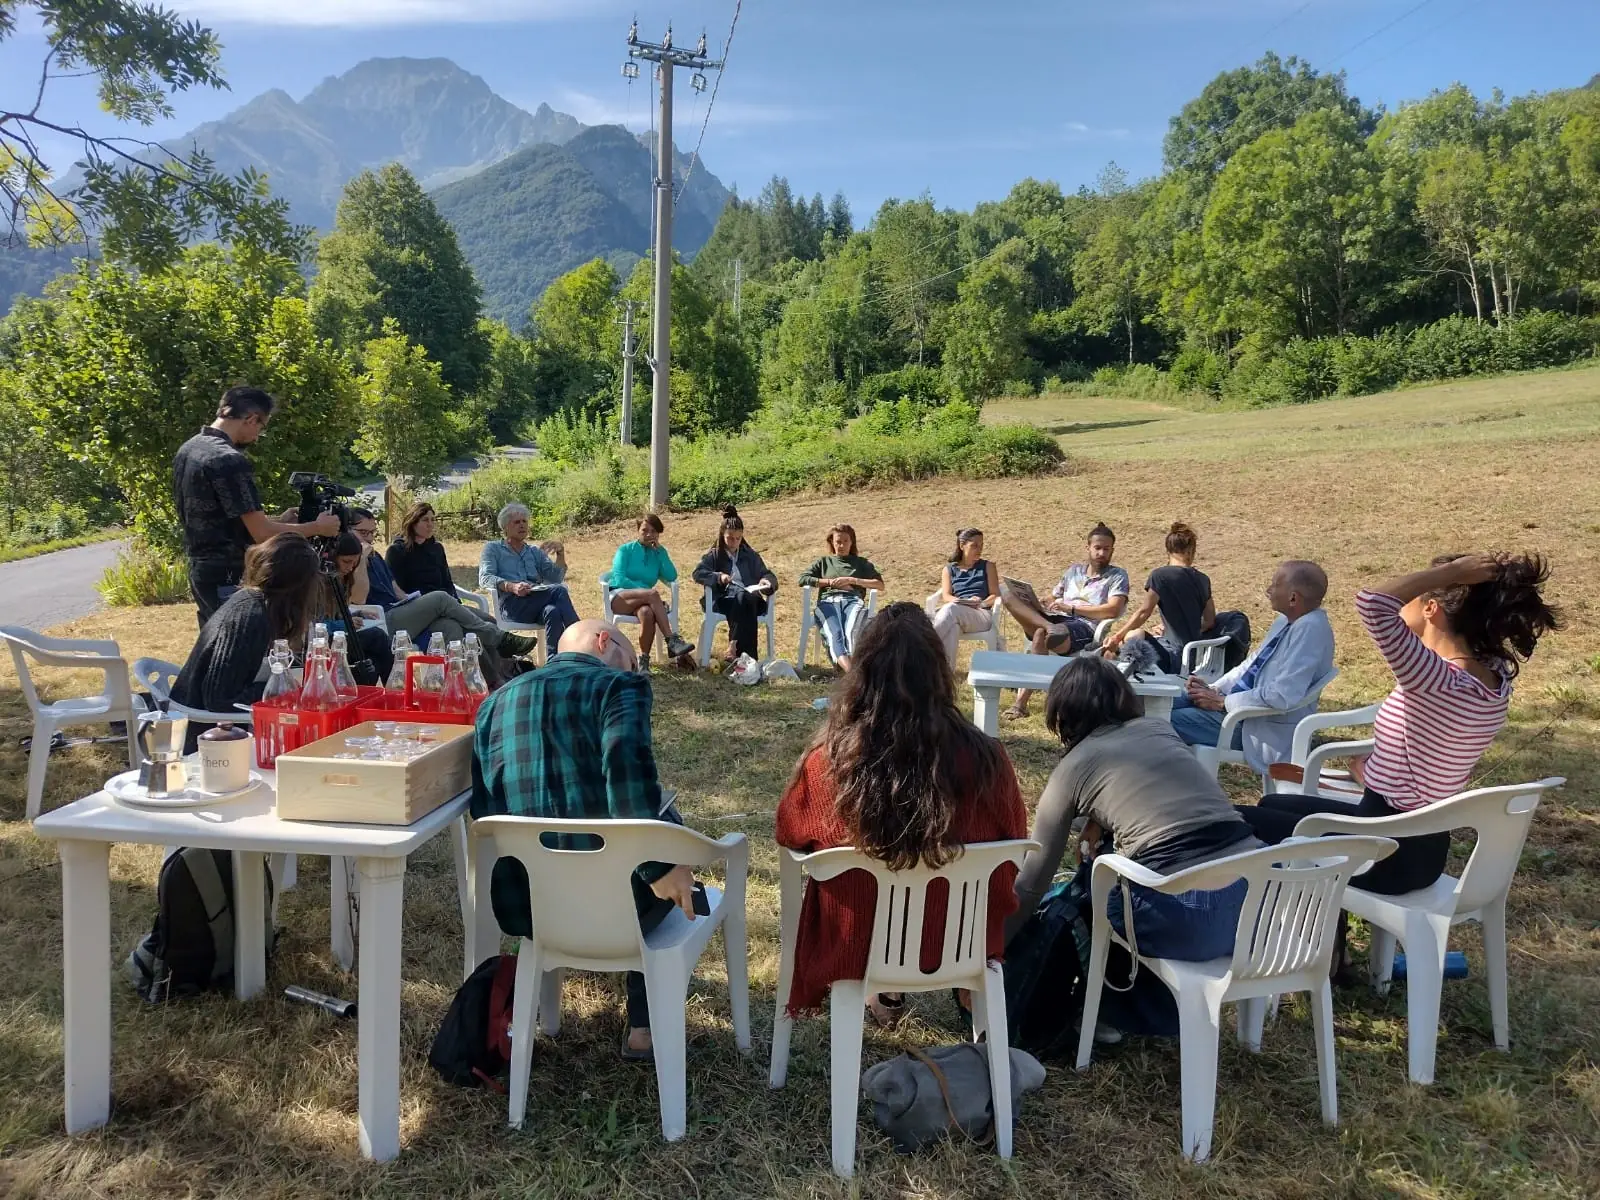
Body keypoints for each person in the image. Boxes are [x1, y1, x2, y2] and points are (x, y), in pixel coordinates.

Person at [1239, 553, 1559, 897]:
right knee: (1273, 806)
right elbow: (1429, 758)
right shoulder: (1493, 677)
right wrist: (1378, 773)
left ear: (1431, 608)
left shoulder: (1434, 678)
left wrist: (1448, 573)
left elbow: (1373, 602)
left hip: (1381, 853)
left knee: (1232, 823)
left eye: (1412, 599)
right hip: (1423, 847)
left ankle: (1284, 928)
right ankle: (1324, 931)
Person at [775, 602, 1027, 1025]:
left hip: (856, 944)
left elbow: (789, 830)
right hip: (960, 940)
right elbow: (1013, 843)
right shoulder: (988, 760)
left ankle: (883, 986)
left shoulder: (828, 763)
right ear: (939, 672)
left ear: (862, 674)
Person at [470, 619, 703, 1061]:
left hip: (530, 907)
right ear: (604, 641)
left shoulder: (491, 705)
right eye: (633, 661)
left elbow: (486, 812)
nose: (634, 671)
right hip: (620, 907)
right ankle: (643, 1024)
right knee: (661, 826)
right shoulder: (620, 689)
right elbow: (630, 788)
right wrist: (662, 866)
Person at [1007, 656, 1259, 961]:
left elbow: (1034, 882)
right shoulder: (1159, 730)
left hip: (1186, 921)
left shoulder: (1071, 769)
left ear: (1063, 713)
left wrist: (991, 948)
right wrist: (1098, 820)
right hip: (1260, 902)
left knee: (1096, 881)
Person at [171, 385, 340, 627]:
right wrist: (318, 527)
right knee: (239, 645)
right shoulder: (229, 459)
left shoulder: (189, 449)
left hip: (201, 569)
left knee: (214, 642)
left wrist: (279, 520)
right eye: (261, 427)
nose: (258, 435)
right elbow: (260, 533)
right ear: (251, 419)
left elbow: (221, 517)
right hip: (230, 575)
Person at [1170, 560, 1335, 773]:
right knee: (1155, 702)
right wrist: (1215, 689)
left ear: (1293, 597)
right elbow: (1251, 665)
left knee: (1158, 720)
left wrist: (1223, 703)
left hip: (1253, 727)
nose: (1268, 590)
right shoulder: (1287, 621)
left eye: (1275, 585)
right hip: (1236, 713)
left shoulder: (1311, 630)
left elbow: (1283, 695)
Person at [169, 534, 324, 746]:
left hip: (211, 723)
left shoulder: (251, 603)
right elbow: (220, 700)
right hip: (207, 736)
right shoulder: (252, 618)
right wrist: (278, 688)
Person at [345, 510, 538, 659]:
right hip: (377, 622)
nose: (369, 539)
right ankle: (499, 638)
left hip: (398, 611)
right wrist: (360, 559)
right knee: (439, 598)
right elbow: (358, 599)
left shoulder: (377, 555)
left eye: (372, 533)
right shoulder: (348, 560)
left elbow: (396, 590)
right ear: (347, 530)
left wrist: (415, 603)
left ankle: (474, 682)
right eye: (363, 533)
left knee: (450, 626)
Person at [1000, 522, 1131, 720]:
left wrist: (1072, 608)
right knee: (1008, 595)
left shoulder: (1117, 576)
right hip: (1056, 620)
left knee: (1039, 635)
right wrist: (1043, 602)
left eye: (1107, 549)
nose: (1102, 553)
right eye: (1097, 548)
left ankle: (1020, 704)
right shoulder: (1074, 571)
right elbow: (1055, 596)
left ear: (1113, 550)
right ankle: (1048, 626)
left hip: (1084, 626)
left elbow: (1113, 609)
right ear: (1088, 548)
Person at [1102, 521, 1217, 674]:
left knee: (1132, 636)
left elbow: (1144, 612)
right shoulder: (1203, 579)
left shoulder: (1161, 575)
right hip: (1192, 657)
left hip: (1173, 657)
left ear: (1168, 550)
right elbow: (1209, 621)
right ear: (1190, 550)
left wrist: (1117, 637)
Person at [479, 503, 582, 650]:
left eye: (524, 521)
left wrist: (560, 553)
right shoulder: (493, 549)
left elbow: (555, 578)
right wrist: (512, 586)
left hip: (537, 601)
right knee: (559, 591)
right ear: (505, 527)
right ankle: (582, 638)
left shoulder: (533, 551)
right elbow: (485, 577)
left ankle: (554, 661)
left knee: (553, 611)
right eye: (516, 522)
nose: (522, 525)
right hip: (512, 604)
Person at [692, 506, 778, 663]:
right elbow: (698, 573)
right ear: (722, 535)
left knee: (744, 597)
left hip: (750, 599)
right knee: (741, 598)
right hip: (723, 600)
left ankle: (734, 645)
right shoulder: (715, 555)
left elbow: (768, 574)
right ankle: (749, 658)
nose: (734, 542)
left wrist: (767, 581)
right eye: (730, 538)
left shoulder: (749, 555)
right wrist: (719, 577)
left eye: (738, 538)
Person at [609, 513, 695, 666]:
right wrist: (646, 592)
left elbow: (671, 576)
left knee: (647, 613)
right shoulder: (625, 550)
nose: (649, 534)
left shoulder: (658, 553)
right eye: (644, 530)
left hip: (644, 601)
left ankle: (644, 661)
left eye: (654, 531)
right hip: (620, 597)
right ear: (638, 531)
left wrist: (661, 553)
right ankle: (671, 640)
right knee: (653, 594)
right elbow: (620, 578)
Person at [797, 523, 885, 671]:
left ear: (852, 542)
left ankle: (851, 671)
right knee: (835, 633)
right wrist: (830, 582)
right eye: (838, 541)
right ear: (832, 542)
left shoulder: (861, 563)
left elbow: (879, 584)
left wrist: (852, 580)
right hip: (828, 602)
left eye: (845, 541)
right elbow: (803, 579)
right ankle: (851, 674)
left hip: (852, 601)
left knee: (852, 632)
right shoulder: (824, 562)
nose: (842, 545)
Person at [929, 527, 1000, 668]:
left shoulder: (988, 566)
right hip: (957, 612)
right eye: (974, 546)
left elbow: (996, 595)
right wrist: (958, 601)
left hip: (981, 614)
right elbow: (946, 595)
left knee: (950, 611)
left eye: (981, 545)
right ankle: (947, 673)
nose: (979, 549)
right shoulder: (949, 569)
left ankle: (925, 645)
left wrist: (982, 603)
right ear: (962, 546)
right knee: (952, 627)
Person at [385, 502, 459, 599]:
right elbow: (395, 589)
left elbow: (447, 582)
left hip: (444, 603)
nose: (430, 525)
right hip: (417, 605)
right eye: (425, 520)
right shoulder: (396, 551)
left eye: (433, 520)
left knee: (481, 615)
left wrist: (456, 601)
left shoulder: (437, 548)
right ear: (413, 523)